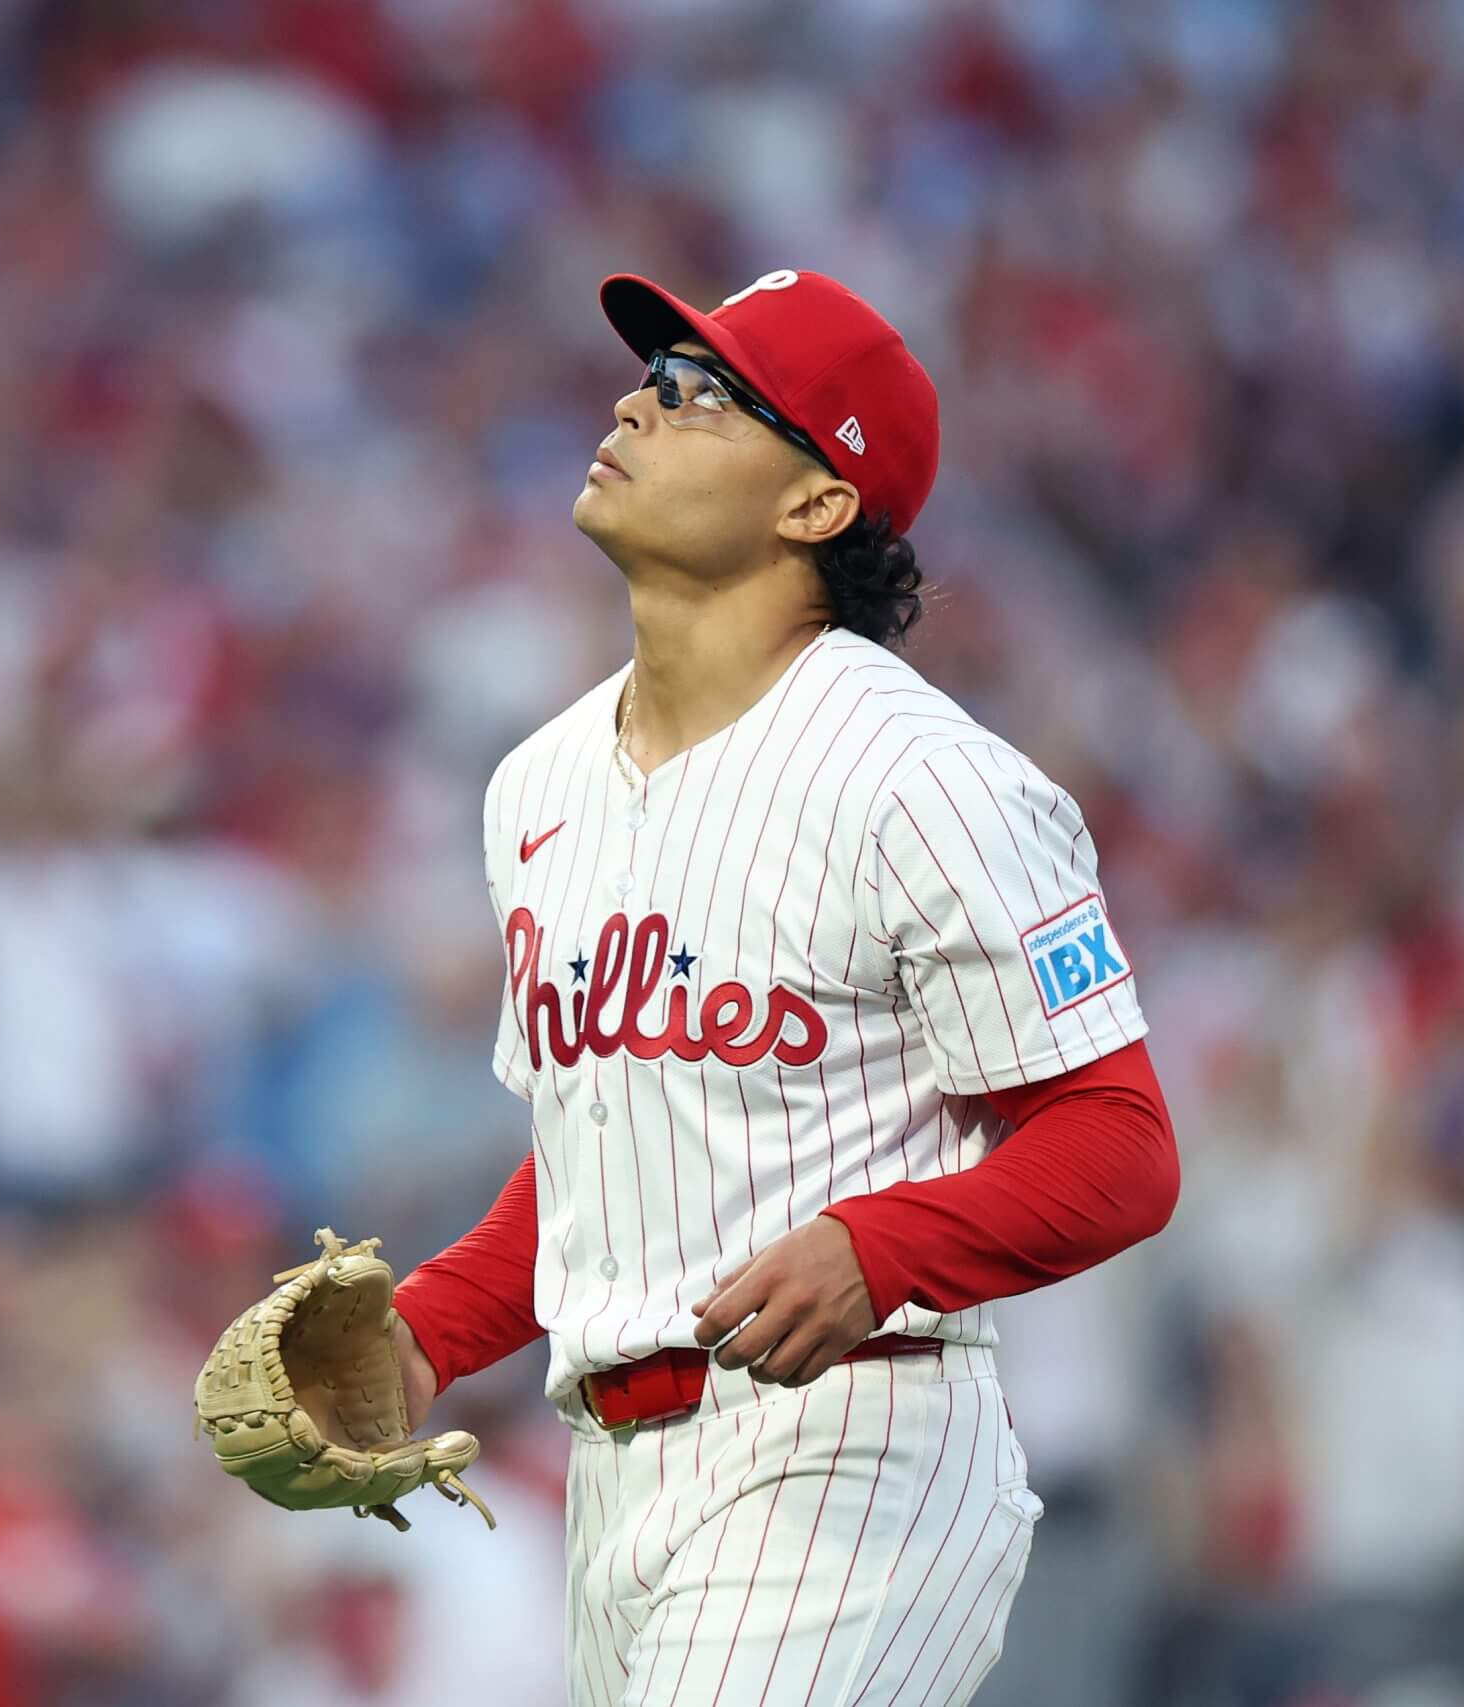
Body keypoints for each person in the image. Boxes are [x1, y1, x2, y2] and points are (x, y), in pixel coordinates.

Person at [384, 268, 1181, 1706]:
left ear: (818, 503)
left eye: (699, 395)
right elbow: (608, 1160)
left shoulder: (927, 778)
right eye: (650, 378)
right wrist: (426, 1334)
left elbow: (1121, 1143)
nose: (638, 400)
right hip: (615, 1483)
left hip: (855, 1444)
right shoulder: (536, 787)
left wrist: (884, 1247)